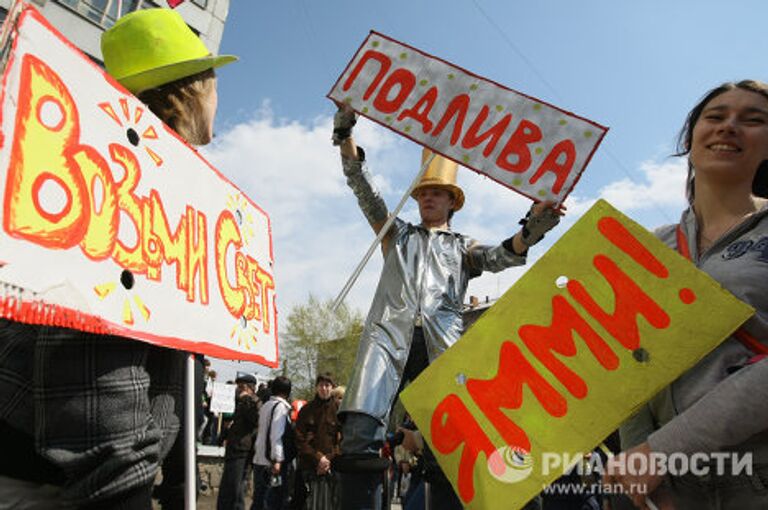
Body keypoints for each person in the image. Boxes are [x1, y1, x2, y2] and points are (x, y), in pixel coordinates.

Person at [0, 8, 235, 509]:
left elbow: (173, 361)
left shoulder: (179, 198)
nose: (220, 94)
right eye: (214, 79)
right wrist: (126, 493)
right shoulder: (118, 183)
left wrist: (177, 486)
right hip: (52, 482)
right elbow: (91, 376)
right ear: (191, 89)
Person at [331, 106, 564, 510]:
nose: (427, 198)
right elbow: (362, 187)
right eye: (422, 193)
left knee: (452, 444)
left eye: (436, 192)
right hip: (387, 341)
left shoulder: (462, 247)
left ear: (451, 201)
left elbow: (502, 256)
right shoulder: (395, 235)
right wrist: (345, 129)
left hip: (443, 351)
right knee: (359, 432)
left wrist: (533, 228)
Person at [605, 80, 768, 509]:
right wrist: (640, 465)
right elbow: (628, 360)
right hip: (669, 491)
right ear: (691, 139)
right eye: (715, 117)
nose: (729, 127)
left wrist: (664, 450)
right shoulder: (646, 248)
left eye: (753, 120)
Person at [294, 373, 342, 510]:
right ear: (316, 387)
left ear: (332, 388)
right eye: (321, 385)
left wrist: (329, 458)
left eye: (327, 385)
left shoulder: (339, 411)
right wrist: (318, 458)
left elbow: (345, 438)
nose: (324, 388)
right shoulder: (306, 410)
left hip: (332, 467)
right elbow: (299, 439)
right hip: (309, 466)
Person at [217, 373, 262, 510]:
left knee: (236, 488)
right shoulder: (241, 402)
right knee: (228, 486)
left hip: (242, 449)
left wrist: (246, 400)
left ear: (249, 388)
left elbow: (254, 420)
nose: (238, 390)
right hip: (234, 448)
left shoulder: (254, 402)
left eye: (241, 387)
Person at [252, 376, 294, 510]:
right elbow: (276, 435)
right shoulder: (281, 408)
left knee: (259, 498)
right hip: (272, 461)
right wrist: (278, 459)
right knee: (273, 500)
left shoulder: (265, 406)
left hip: (260, 458)